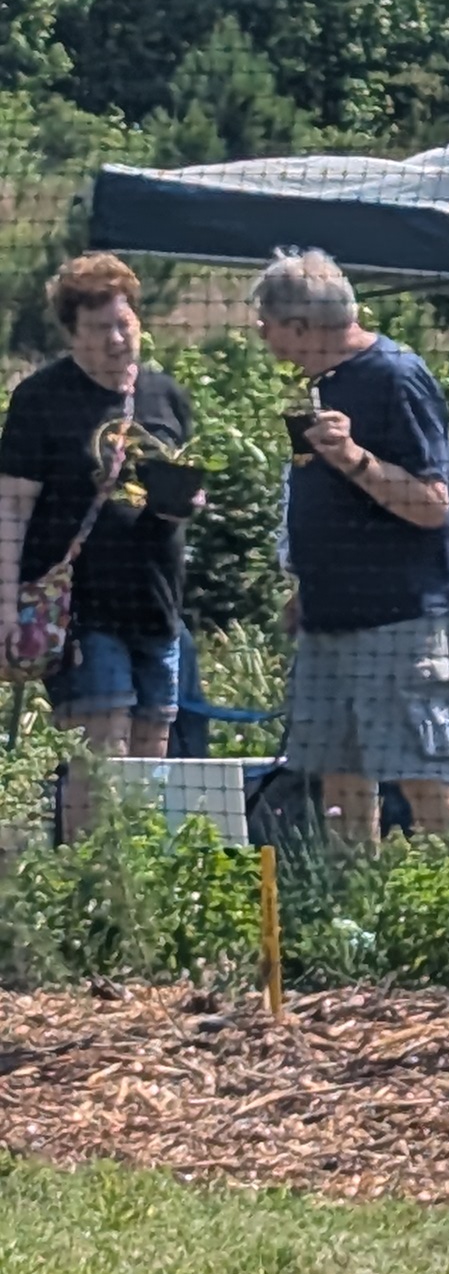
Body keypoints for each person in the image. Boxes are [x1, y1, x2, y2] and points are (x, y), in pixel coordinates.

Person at [252, 250, 449, 854]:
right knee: (339, 784)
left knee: (424, 777)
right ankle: (354, 919)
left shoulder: (395, 375)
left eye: (265, 323)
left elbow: (433, 503)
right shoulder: (324, 383)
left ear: (301, 327)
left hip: (401, 620)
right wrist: (308, 589)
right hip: (330, 622)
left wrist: (355, 459)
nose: (261, 335)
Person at [1, 253, 201, 838]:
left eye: (125, 324)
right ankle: (88, 893)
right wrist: (6, 606)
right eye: (99, 330)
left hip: (158, 607)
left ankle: (137, 897)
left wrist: (188, 502)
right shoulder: (42, 399)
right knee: (100, 755)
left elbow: (183, 488)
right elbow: (11, 505)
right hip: (81, 610)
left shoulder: (167, 397)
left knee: (148, 759)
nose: (117, 340)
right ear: (72, 334)